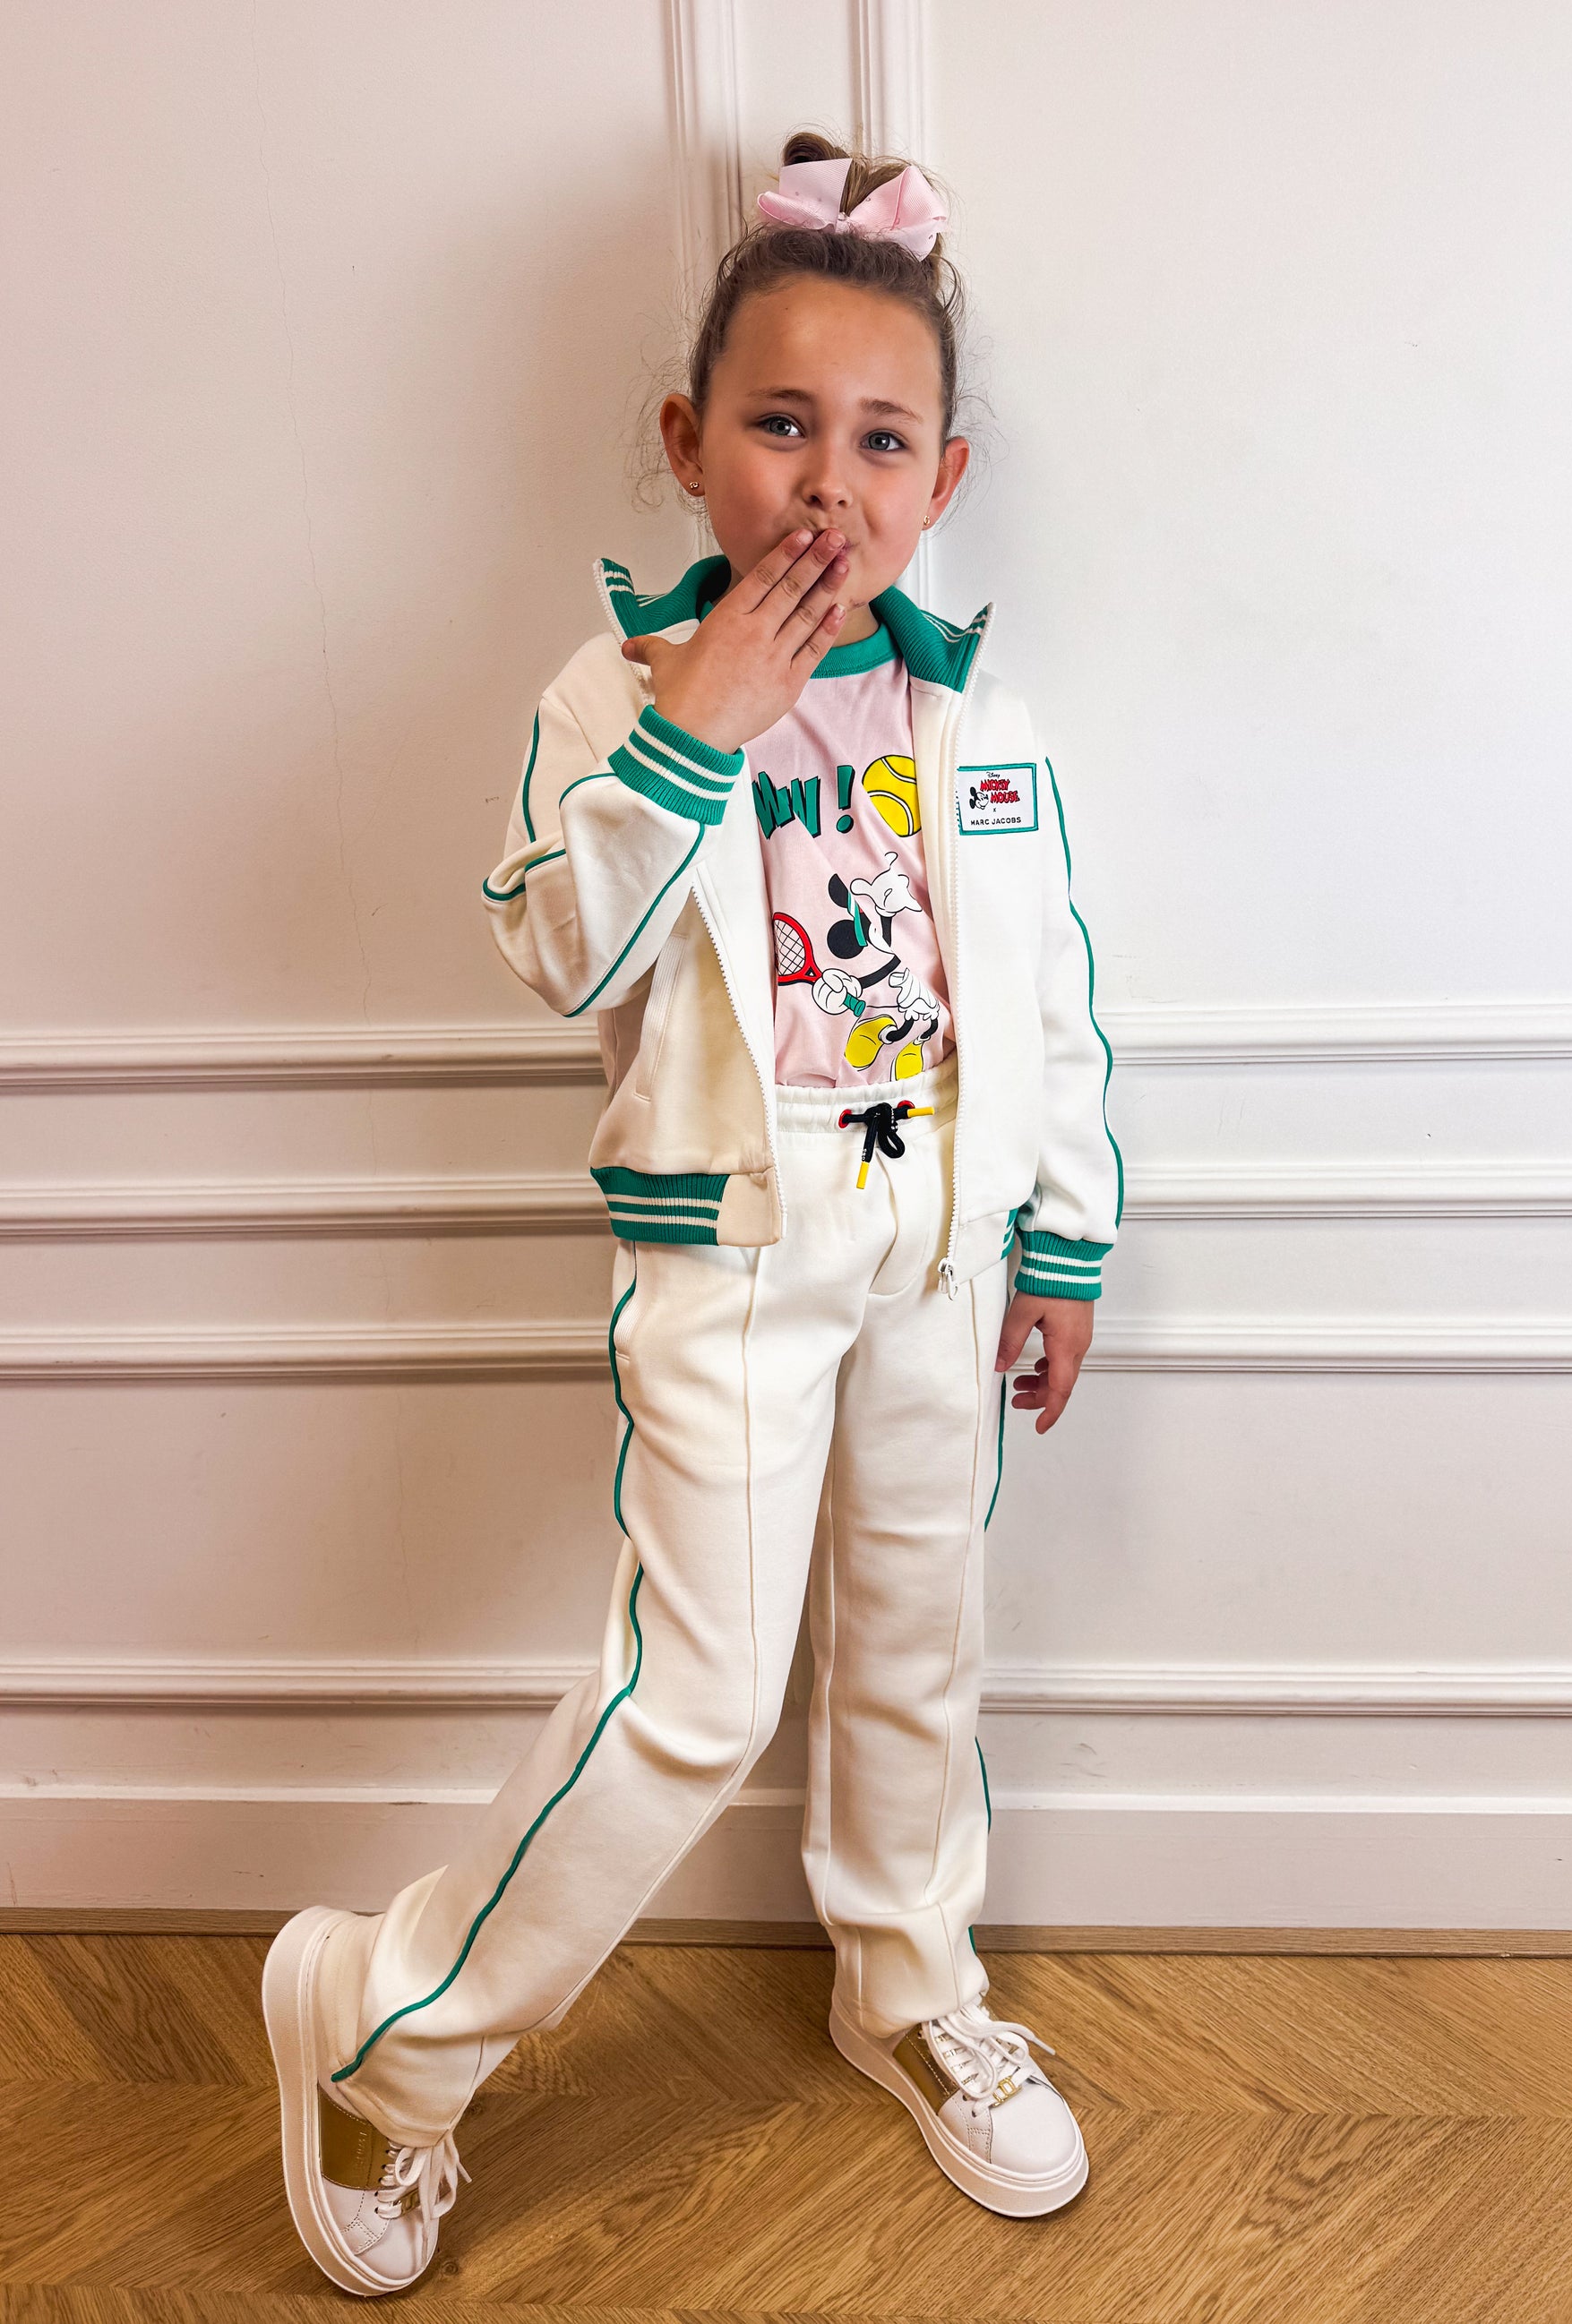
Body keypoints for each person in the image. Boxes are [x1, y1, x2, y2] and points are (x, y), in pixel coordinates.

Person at [262, 131, 1123, 2296]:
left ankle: (907, 1983)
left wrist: (1063, 1233)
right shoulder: (617, 692)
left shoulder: (972, 708)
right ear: (687, 442)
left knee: (918, 1646)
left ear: (941, 477)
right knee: (699, 1694)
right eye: (778, 424)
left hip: (936, 1245)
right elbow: (557, 948)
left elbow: (1046, 993)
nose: (827, 481)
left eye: (881, 438)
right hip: (735, 1253)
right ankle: (383, 2022)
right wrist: (695, 728)